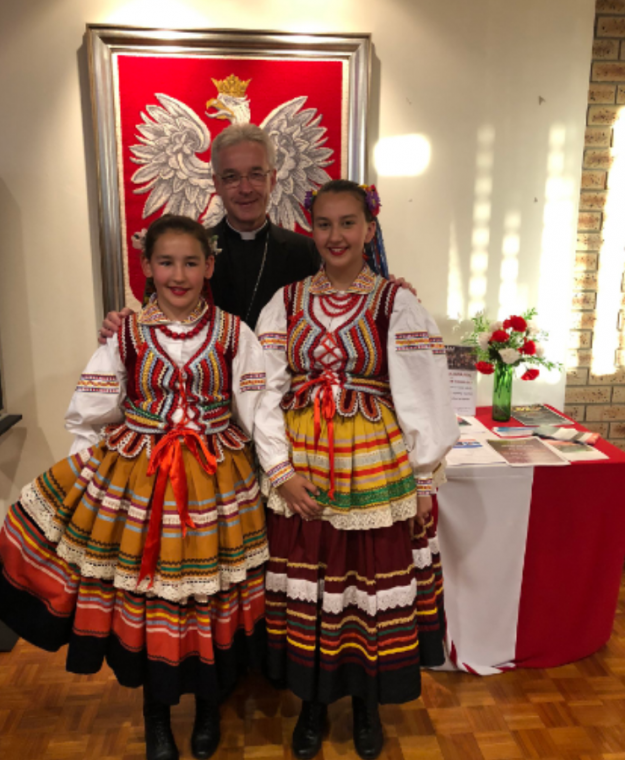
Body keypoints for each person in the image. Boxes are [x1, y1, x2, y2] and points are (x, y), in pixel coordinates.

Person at [0, 215, 269, 760]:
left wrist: (275, 474)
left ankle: (209, 707)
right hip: (142, 483)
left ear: (209, 266)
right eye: (166, 262)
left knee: (211, 593)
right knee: (148, 596)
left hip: (218, 482)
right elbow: (90, 410)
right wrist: (86, 484)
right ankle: (156, 719)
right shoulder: (124, 334)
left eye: (190, 262)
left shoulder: (234, 333)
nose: (179, 275)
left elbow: (258, 410)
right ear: (146, 266)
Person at [252, 180, 459, 760]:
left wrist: (423, 477)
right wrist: (279, 470)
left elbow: (423, 394)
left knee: (365, 586)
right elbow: (263, 390)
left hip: (374, 467)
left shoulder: (397, 302)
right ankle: (312, 704)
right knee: (312, 586)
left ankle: (367, 704)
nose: (336, 235)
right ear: (311, 230)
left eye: (348, 223)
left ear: (370, 229)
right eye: (324, 224)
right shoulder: (286, 302)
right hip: (304, 464)